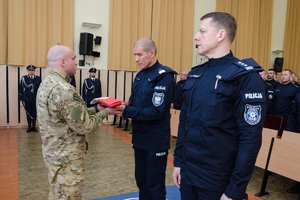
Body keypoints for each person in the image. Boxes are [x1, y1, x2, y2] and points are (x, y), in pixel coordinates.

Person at [172, 12, 266, 200]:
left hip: (218, 180)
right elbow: (185, 122)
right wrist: (179, 162)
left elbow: (250, 139)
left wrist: (234, 190)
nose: (195, 36)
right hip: (189, 174)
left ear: (221, 35)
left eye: (202, 31)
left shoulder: (246, 78)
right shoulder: (196, 74)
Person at [36, 45, 121, 199]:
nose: (77, 62)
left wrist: (96, 109)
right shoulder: (65, 90)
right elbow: (84, 126)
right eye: (73, 58)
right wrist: (106, 112)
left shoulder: (47, 83)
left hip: (53, 155)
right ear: (63, 62)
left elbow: (68, 117)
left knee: (56, 194)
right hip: (67, 160)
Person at [116, 37, 176, 200]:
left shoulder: (164, 76)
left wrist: (128, 110)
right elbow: (135, 102)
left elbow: (157, 112)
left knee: (154, 184)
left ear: (152, 53)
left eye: (139, 55)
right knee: (141, 181)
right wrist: (123, 105)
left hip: (155, 141)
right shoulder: (141, 76)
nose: (136, 59)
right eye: (134, 55)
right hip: (140, 138)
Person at [18, 65, 41, 132]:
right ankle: (29, 126)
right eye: (30, 70)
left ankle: (34, 126)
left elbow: (40, 89)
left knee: (34, 112)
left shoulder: (38, 78)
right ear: (27, 71)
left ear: (34, 71)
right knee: (28, 112)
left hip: (35, 97)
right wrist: (21, 98)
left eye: (32, 70)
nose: (31, 71)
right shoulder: (24, 78)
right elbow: (21, 89)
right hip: (27, 97)